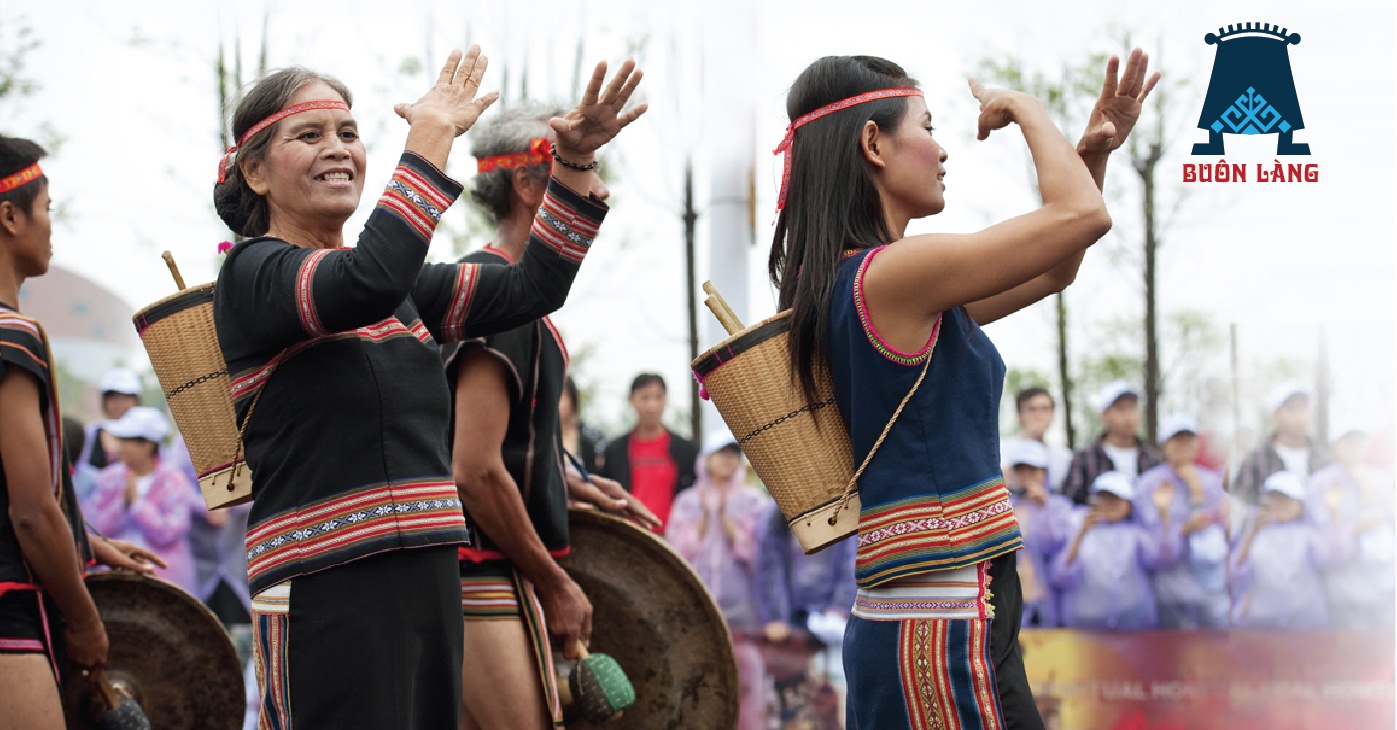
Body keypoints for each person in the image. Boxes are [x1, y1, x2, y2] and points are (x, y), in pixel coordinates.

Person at [211, 49, 646, 729]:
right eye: (310, 134)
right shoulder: (255, 274)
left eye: (349, 133)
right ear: (256, 172)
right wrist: (431, 138)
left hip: (428, 583)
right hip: (328, 588)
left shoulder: (400, 292)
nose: (338, 149)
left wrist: (573, 161)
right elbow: (367, 279)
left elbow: (533, 287)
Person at [766, 48, 1154, 727]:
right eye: (928, 126)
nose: (942, 149)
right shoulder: (893, 275)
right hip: (940, 621)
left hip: (939, 605)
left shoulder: (875, 282)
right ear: (873, 144)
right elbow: (1082, 217)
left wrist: (1090, 155)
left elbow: (1056, 265)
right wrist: (1024, 106)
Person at [446, 103, 657, 730]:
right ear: (529, 185)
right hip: (475, 571)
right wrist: (558, 585)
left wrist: (566, 483)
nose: (601, 192)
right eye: (583, 171)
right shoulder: (494, 292)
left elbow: (486, 448)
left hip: (483, 568)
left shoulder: (504, 293)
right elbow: (472, 470)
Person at [0, 135, 165, 729]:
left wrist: (84, 540)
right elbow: (28, 513)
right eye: (47, 210)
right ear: (10, 216)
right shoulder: (11, 337)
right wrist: (85, 620)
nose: (52, 228)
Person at [667, 432, 772, 730]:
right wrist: (705, 516)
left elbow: (759, 554)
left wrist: (726, 519)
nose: (727, 459)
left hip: (743, 615)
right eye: (721, 453)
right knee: (700, 677)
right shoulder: (687, 502)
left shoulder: (753, 502)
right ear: (706, 459)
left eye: (733, 454)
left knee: (746, 681)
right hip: (698, 612)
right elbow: (678, 552)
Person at [756, 501, 857, 727]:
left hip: (833, 623)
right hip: (791, 623)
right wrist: (776, 617)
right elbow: (770, 566)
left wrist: (839, 606)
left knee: (832, 702)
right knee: (792, 704)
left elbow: (851, 559)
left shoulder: (842, 506)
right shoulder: (775, 515)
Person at [1133, 414, 1229, 629]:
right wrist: (1182, 530)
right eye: (1177, 440)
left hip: (1209, 591)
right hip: (1167, 591)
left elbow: (1222, 533)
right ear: (1164, 445)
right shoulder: (1148, 485)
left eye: (1189, 439)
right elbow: (1148, 544)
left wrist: (1196, 488)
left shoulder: (1212, 483)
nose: (1184, 445)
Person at [87, 407, 197, 593]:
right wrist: (122, 504)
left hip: (165, 577)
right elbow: (96, 527)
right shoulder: (109, 478)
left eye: (127, 440)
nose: (120, 446)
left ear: (147, 445)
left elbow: (171, 531)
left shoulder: (173, 480)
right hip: (115, 575)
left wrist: (138, 504)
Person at [1306, 424, 1394, 630]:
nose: (1354, 447)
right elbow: (1319, 541)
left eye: (1359, 442)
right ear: (1335, 446)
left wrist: (1367, 490)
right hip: (1342, 591)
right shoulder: (1320, 483)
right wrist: (1353, 529)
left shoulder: (1383, 480)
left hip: (1385, 588)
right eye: (1348, 442)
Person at [1052, 472, 1164, 630]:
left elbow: (1161, 558)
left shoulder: (1136, 534)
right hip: (1087, 621)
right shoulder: (1075, 523)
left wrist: (1163, 513)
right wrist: (1081, 533)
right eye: (1104, 498)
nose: (1110, 504)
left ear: (1129, 505)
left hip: (1132, 618)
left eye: (1116, 499)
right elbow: (1061, 575)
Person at [1230, 471, 1333, 629]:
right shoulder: (1256, 530)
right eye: (1275, 498)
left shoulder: (1309, 534)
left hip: (1304, 616)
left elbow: (1330, 559)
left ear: (1300, 504)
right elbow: (1235, 572)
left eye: (1286, 499)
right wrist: (1252, 533)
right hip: (1263, 619)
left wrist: (1330, 514)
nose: (1280, 504)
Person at [599, 373, 698, 530]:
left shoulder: (686, 451)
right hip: (628, 534)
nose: (651, 405)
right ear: (631, 400)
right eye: (644, 398)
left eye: (658, 397)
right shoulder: (615, 451)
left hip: (673, 536)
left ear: (666, 400)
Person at [1003, 440, 1072, 628]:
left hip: (1048, 601)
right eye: (1021, 470)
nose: (1027, 476)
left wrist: (1044, 508)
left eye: (1033, 470)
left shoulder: (1060, 506)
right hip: (1012, 601)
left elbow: (1057, 546)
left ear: (1045, 473)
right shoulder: (1005, 507)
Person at [1062, 381, 1162, 505]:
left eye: (1132, 408)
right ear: (1104, 415)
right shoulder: (1084, 458)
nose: (1128, 416)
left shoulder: (1152, 458)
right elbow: (1069, 504)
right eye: (1120, 409)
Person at [1232, 383, 1333, 505]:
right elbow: (1241, 502)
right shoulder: (1256, 461)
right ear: (1275, 415)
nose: (1299, 416)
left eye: (1304, 408)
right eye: (1291, 409)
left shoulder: (1324, 460)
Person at [72, 367, 143, 502]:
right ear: (104, 401)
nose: (120, 404)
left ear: (137, 401)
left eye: (126, 398)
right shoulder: (89, 434)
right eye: (114, 398)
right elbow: (78, 473)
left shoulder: (147, 438)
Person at [1000, 386, 1073, 493]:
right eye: (1032, 409)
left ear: (1053, 415)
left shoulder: (1065, 458)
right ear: (1020, 415)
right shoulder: (1001, 453)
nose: (1039, 415)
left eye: (1045, 409)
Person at [559, 376, 607, 476]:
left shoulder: (593, 440)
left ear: (573, 400)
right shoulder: (536, 438)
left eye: (561, 396)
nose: (556, 403)